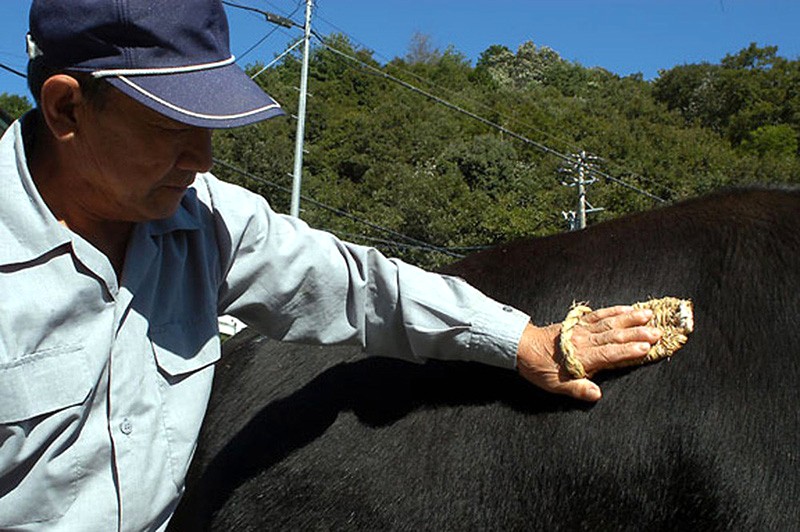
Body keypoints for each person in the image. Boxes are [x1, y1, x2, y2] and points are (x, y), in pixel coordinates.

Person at [0, 1, 661, 530]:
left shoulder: (206, 223)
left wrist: (525, 341)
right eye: (172, 128)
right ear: (66, 108)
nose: (202, 158)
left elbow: (359, 285)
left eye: (210, 128)